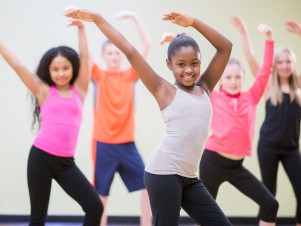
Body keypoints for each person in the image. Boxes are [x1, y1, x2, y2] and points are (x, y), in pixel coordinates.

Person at [64, 7, 233, 226]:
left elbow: (225, 47)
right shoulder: (163, 90)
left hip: (189, 177)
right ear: (169, 65)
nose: (189, 70)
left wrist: (193, 22)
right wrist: (97, 19)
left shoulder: (206, 86)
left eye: (194, 63)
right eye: (181, 64)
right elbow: (130, 50)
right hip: (163, 174)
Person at [0, 19, 103, 226]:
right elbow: (17, 65)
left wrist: (82, 29)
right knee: (38, 217)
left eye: (65, 68)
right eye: (56, 69)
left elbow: (84, 57)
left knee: (95, 207)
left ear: (72, 68)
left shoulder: (80, 90)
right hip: (40, 159)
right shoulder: (43, 91)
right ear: (49, 71)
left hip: (66, 163)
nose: (61, 73)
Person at [198, 22, 279, 226]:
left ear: (243, 78)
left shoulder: (251, 97)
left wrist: (269, 38)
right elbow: (194, 73)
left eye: (237, 77)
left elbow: (265, 70)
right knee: (203, 215)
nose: (233, 81)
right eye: (228, 77)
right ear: (221, 80)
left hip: (236, 166)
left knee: (271, 205)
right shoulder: (213, 96)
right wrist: (176, 39)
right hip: (212, 162)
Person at [232, 17, 301, 226]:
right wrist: (244, 32)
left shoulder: (298, 86)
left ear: (293, 64)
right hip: (268, 147)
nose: (284, 65)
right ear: (275, 64)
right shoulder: (269, 86)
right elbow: (251, 58)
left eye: (288, 61)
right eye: (280, 61)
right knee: (268, 195)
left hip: (291, 148)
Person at [89, 10, 152, 226]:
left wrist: (135, 18)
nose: (114, 57)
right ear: (104, 56)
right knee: (101, 194)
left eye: (117, 53)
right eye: (110, 53)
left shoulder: (129, 75)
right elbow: (84, 55)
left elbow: (147, 46)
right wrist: (82, 24)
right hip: (104, 144)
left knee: (148, 186)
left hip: (126, 144)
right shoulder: (98, 75)